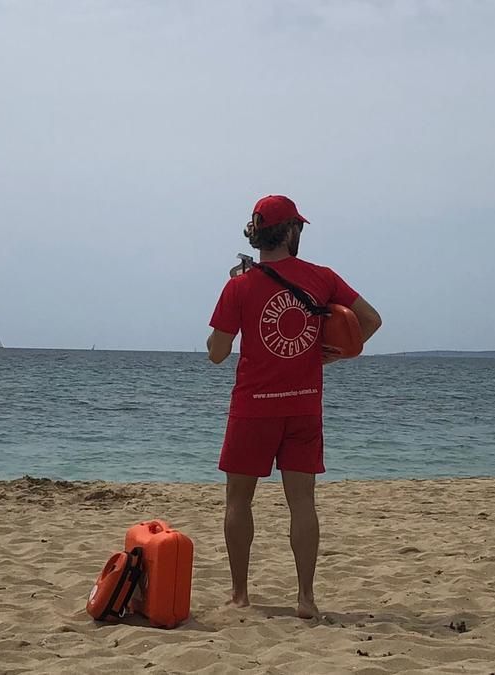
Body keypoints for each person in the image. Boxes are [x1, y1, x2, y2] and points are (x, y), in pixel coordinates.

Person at [205, 194, 382, 619]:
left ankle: (240, 595)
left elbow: (216, 353)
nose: (299, 232)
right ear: (288, 231)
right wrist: (336, 353)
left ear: (257, 234)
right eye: (298, 226)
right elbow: (371, 320)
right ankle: (305, 598)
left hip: (253, 407)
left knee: (238, 500)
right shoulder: (322, 278)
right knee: (302, 502)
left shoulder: (239, 285)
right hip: (304, 407)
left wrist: (228, 319)